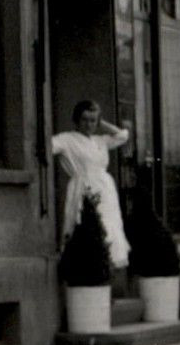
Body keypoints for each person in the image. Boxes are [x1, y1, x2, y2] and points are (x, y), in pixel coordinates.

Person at [51, 101, 132, 269]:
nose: (89, 124)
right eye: (85, 120)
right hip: (83, 187)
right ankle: (84, 268)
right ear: (77, 120)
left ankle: (105, 269)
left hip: (105, 189)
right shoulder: (67, 139)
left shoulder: (100, 140)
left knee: (108, 226)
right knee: (83, 222)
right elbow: (48, 145)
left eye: (93, 120)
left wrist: (101, 122)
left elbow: (123, 135)